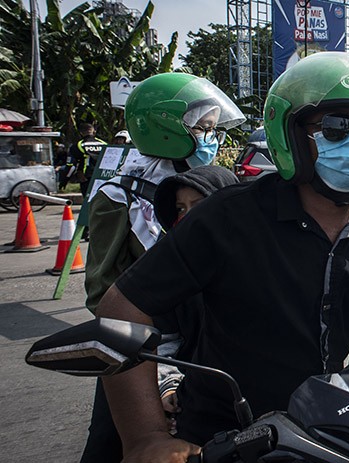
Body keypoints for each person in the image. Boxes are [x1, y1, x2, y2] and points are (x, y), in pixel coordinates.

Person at [96, 52, 349, 463]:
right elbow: (121, 309)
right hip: (222, 443)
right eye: (337, 127)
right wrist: (145, 437)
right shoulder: (226, 219)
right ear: (290, 135)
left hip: (332, 433)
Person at [80, 72, 245, 463]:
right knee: (117, 442)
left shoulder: (217, 189)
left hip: (209, 354)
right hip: (142, 352)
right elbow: (102, 289)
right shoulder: (120, 196)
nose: (211, 138)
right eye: (202, 128)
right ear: (164, 129)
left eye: (212, 129)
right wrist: (148, 347)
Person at [152, 165, 241, 434]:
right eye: (180, 209)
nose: (190, 216)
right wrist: (169, 386)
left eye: (200, 204)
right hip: (193, 405)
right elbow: (162, 344)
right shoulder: (169, 274)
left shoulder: (261, 264)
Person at [66, 122, 106, 197]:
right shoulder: (104, 144)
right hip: (102, 175)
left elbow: (71, 165)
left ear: (81, 133)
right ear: (94, 131)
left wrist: (65, 179)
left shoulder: (78, 145)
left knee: (88, 198)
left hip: (86, 176)